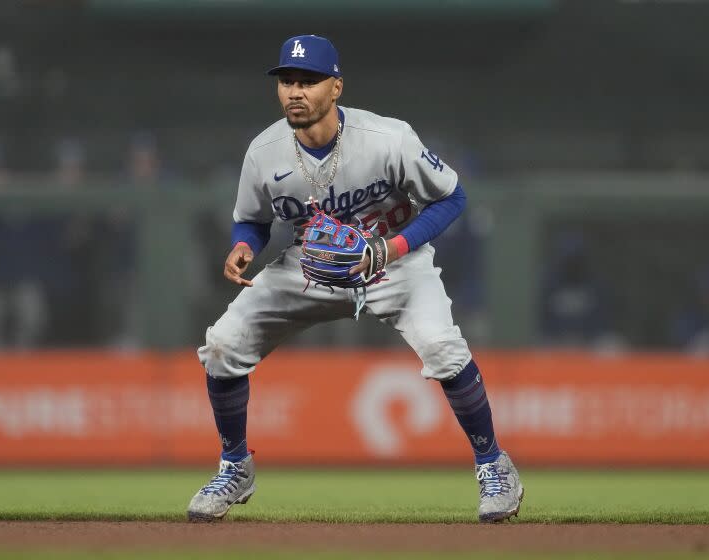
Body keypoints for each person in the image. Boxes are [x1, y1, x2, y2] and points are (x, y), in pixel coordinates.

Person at [187, 35, 523, 524]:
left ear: (336, 87)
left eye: (308, 81)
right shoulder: (264, 151)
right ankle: (235, 466)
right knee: (221, 346)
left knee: (444, 348)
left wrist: (395, 247)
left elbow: (451, 198)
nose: (294, 92)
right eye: (287, 81)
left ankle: (494, 465)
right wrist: (243, 246)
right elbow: (253, 220)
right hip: (310, 265)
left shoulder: (388, 138)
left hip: (394, 261)